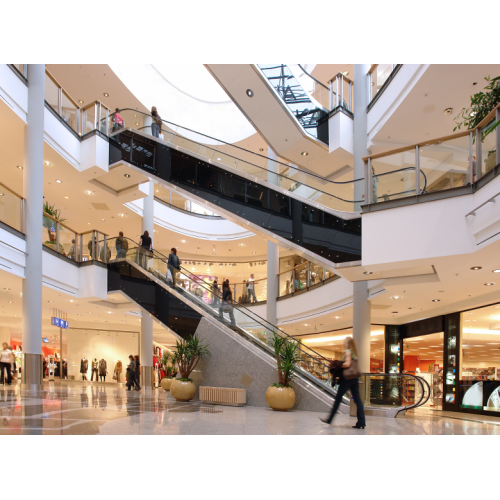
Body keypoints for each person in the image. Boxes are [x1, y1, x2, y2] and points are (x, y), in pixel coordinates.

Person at [320, 336, 366, 429]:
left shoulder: (348, 352)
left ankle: (329, 419)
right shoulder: (354, 353)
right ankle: (361, 422)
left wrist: (339, 364)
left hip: (347, 379)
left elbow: (348, 364)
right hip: (354, 378)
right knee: (358, 401)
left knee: (338, 398)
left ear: (347, 343)